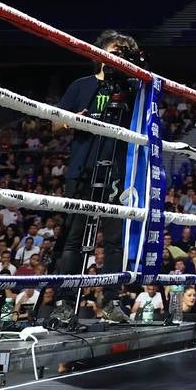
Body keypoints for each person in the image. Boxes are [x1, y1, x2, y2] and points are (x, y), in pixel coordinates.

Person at [52, 30, 142, 325]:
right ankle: (65, 304)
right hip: (82, 169)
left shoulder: (132, 90)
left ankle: (112, 301)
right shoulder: (82, 86)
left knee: (114, 241)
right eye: (115, 51)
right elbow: (55, 122)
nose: (119, 58)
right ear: (100, 53)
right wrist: (74, 119)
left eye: (124, 53)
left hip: (116, 173)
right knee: (73, 240)